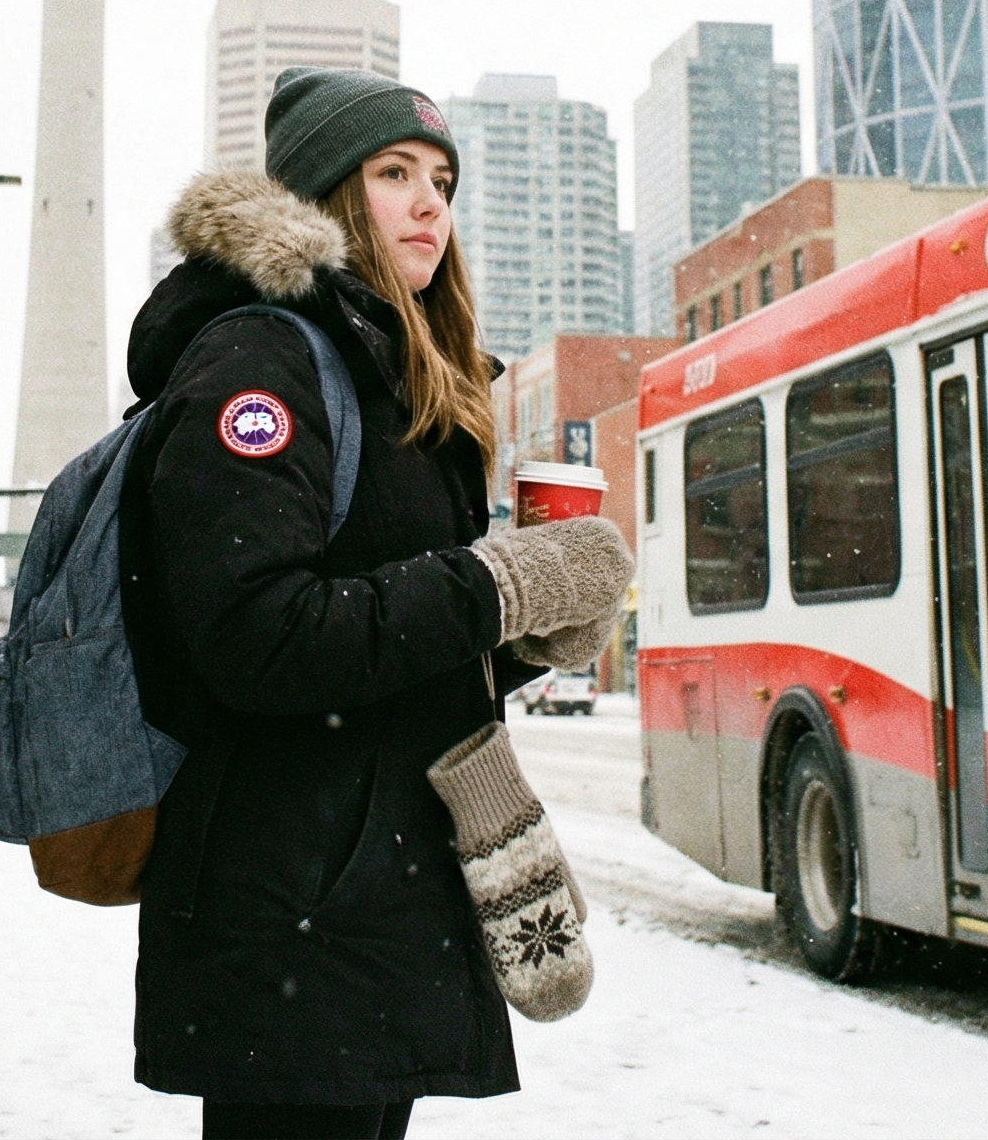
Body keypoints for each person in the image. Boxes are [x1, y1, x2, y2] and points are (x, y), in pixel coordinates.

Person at [118, 67, 633, 1139]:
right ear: (323, 198)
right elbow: (257, 637)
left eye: (440, 177)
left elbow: (399, 654)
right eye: (393, 172)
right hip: (293, 918)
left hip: (370, 905)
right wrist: (495, 582)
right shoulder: (259, 358)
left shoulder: (399, 377)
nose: (430, 202)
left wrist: (528, 635)